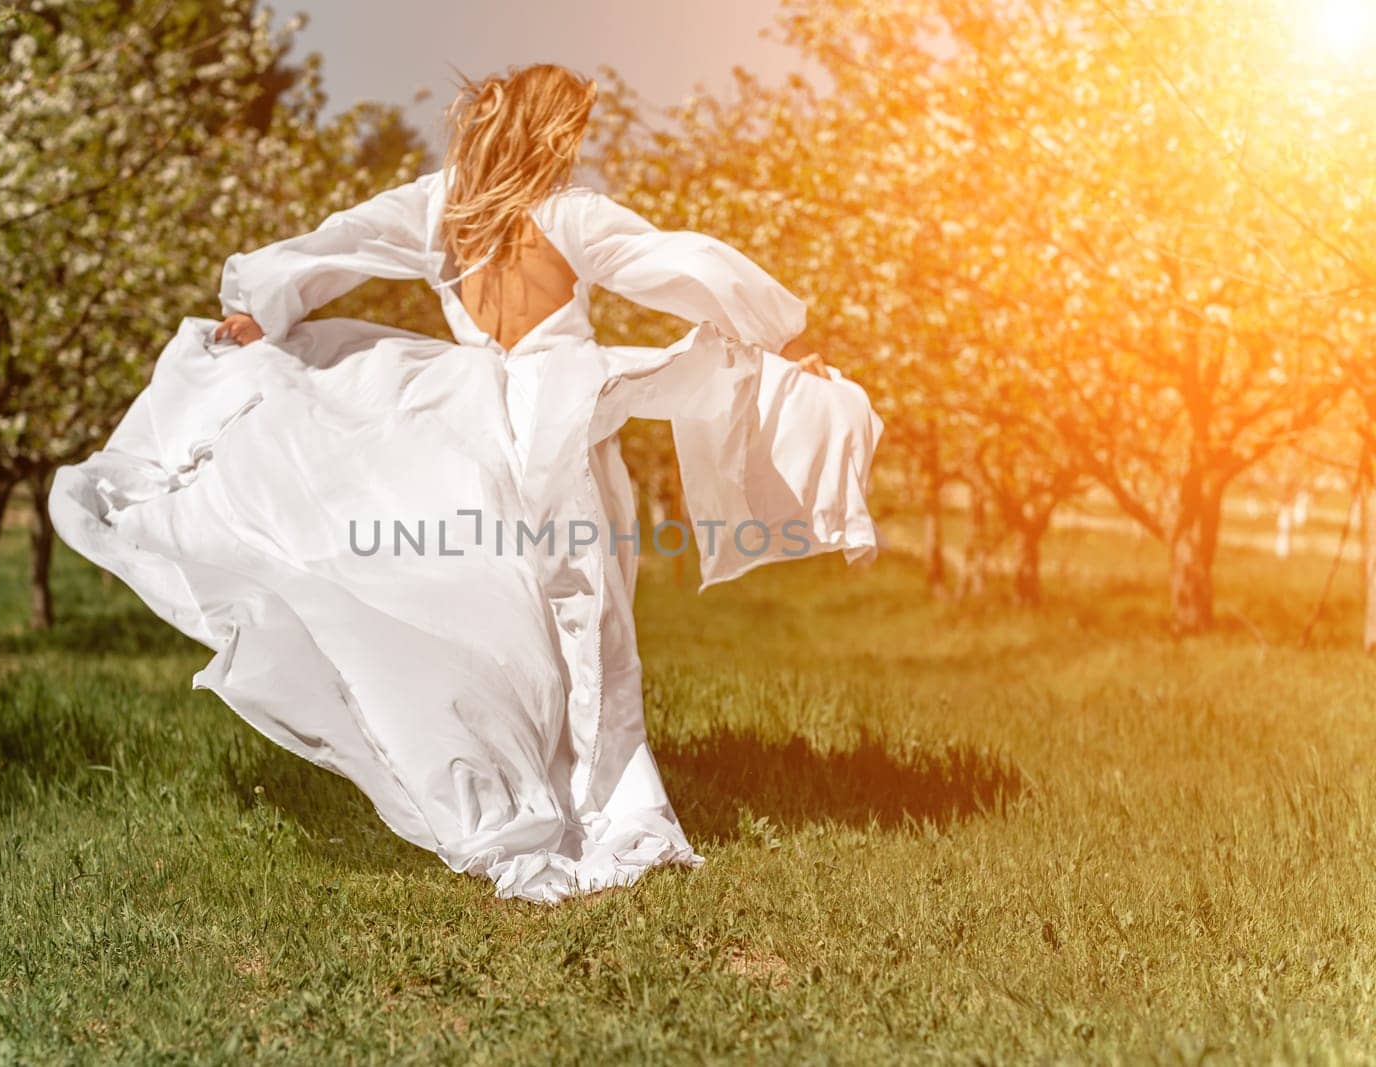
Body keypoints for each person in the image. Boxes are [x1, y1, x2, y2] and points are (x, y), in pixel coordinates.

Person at [50, 64, 882, 904]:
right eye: (576, 130)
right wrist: (768, 339)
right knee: (587, 627)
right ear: (555, 133)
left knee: (503, 618)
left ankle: (516, 791)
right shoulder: (571, 215)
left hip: (472, 420)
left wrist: (266, 309)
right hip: (560, 423)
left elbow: (345, 240)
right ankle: (608, 810)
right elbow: (674, 264)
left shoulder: (437, 206)